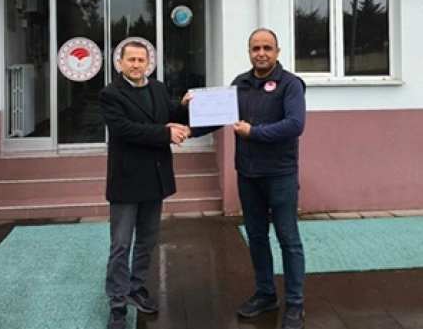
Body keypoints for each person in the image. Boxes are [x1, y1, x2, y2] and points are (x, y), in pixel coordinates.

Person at [194, 28, 307, 329]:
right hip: (248, 175)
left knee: (288, 239)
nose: (261, 53)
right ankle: (266, 294)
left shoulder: (290, 85)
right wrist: (184, 127)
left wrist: (253, 133)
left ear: (277, 52)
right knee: (256, 237)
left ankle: (295, 303)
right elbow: (216, 117)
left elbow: (295, 124)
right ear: (249, 52)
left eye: (267, 48)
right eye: (256, 48)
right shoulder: (240, 84)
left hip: (280, 175)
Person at [99, 40, 191, 329]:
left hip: (155, 177)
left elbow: (169, 112)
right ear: (120, 63)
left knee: (147, 240)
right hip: (127, 181)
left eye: (142, 60)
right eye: (131, 60)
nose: (137, 65)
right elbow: (124, 130)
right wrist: (165, 133)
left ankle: (136, 287)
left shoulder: (158, 88)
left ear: (149, 63)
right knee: (120, 244)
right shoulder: (110, 94)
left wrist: (184, 107)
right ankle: (117, 303)